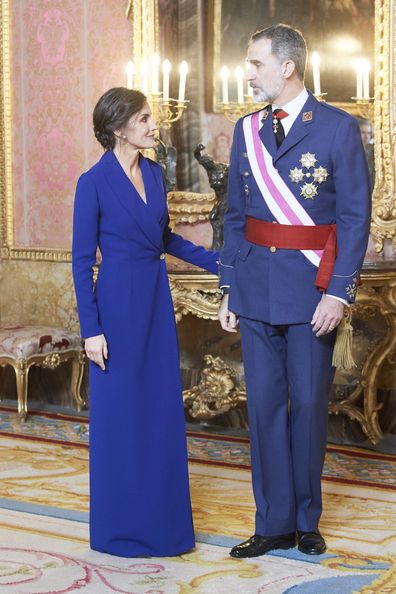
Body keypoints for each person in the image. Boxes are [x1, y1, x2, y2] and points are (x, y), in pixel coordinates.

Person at [218, 24, 371, 558]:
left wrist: (338, 292)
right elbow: (233, 218)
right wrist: (228, 286)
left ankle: (307, 519)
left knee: (307, 406)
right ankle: (272, 522)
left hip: (312, 293)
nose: (249, 72)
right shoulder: (245, 131)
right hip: (256, 290)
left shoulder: (336, 128)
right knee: (261, 408)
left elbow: (354, 219)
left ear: (287, 67)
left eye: (255, 63)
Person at [72, 87, 218, 558]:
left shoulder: (156, 173)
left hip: (155, 301)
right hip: (114, 306)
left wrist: (220, 263)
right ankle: (119, 530)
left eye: (152, 118)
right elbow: (79, 262)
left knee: (158, 415)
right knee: (120, 419)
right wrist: (91, 330)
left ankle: (165, 530)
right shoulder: (91, 183)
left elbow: (165, 238)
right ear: (118, 128)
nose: (155, 126)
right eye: (144, 120)